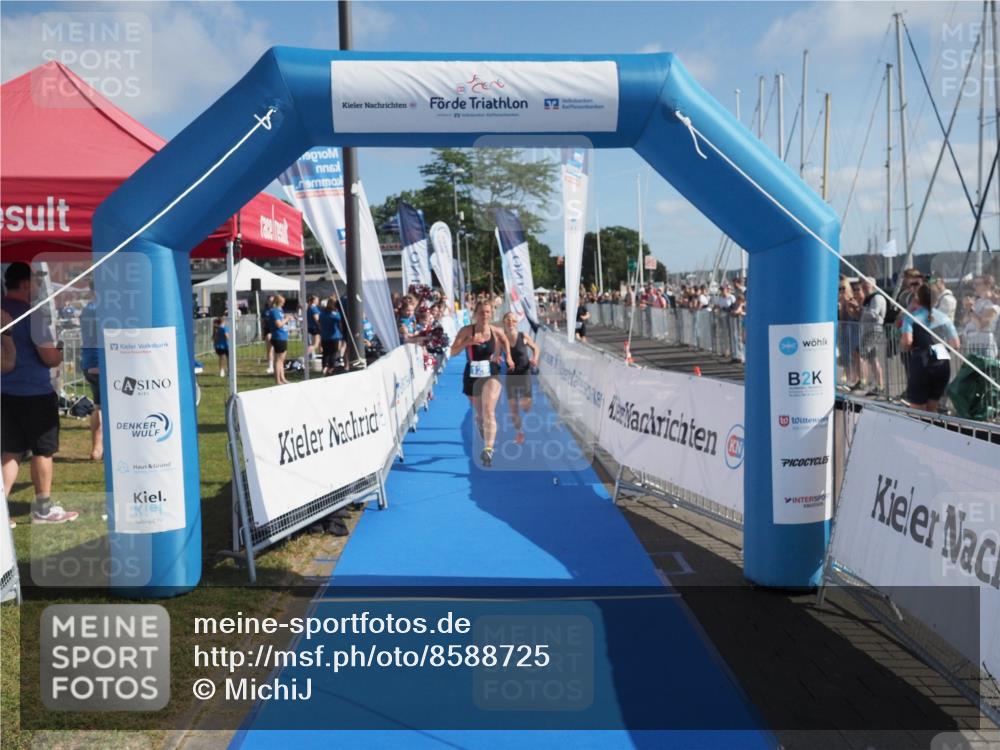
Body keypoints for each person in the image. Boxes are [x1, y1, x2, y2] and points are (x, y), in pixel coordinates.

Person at [1, 262, 79, 524]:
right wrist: (58, 349)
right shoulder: (31, 315)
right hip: (33, 392)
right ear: (25, 284)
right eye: (35, 283)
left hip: (5, 392)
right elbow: (50, 358)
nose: (37, 288)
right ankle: (43, 509)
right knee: (43, 451)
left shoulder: (2, 310)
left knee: (11, 452)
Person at [449, 300, 512, 467]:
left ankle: (488, 449)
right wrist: (467, 343)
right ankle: (480, 424)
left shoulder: (495, 331)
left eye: (487, 312)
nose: (485, 315)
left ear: (491, 314)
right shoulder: (466, 331)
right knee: (481, 415)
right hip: (472, 375)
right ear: (475, 314)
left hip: (491, 373)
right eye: (481, 312)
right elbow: (452, 352)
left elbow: (505, 340)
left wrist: (509, 357)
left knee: (489, 411)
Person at [900, 282, 960, 413]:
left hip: (921, 362)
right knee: (932, 408)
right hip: (942, 363)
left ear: (918, 298)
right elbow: (956, 344)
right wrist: (940, 348)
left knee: (917, 410)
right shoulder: (945, 318)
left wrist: (908, 346)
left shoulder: (911, 317)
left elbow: (907, 341)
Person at [502, 313, 540, 446]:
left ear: (516, 323)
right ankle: (520, 432)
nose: (511, 323)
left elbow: (536, 348)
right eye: (508, 321)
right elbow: (495, 353)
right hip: (511, 375)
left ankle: (527, 403)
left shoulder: (523, 336)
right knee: (513, 409)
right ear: (504, 323)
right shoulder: (502, 339)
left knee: (526, 407)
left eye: (513, 321)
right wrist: (496, 357)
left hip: (524, 373)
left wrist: (534, 359)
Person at [79, 292, 103, 460]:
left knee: (98, 406)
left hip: (88, 362)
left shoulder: (86, 309)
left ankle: (97, 449)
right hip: (102, 362)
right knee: (111, 409)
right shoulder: (105, 309)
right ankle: (107, 449)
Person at [266, 295, 289, 385]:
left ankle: (282, 378)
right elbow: (278, 324)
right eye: (282, 301)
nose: (284, 303)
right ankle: (278, 380)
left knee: (281, 360)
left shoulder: (280, 311)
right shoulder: (274, 311)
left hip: (282, 336)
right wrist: (286, 319)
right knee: (278, 359)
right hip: (278, 336)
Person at [319, 296, 345, 375]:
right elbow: (340, 320)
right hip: (334, 337)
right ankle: (331, 368)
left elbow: (319, 322)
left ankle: (324, 367)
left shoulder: (322, 313)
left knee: (325, 353)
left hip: (324, 336)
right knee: (333, 353)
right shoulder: (335, 314)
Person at [305, 295, 322, 363]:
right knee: (315, 344)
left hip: (311, 327)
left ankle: (322, 357)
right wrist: (321, 326)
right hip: (315, 328)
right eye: (317, 300)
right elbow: (317, 319)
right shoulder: (313, 308)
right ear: (314, 300)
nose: (318, 301)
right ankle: (305, 356)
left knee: (320, 343)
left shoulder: (310, 308)